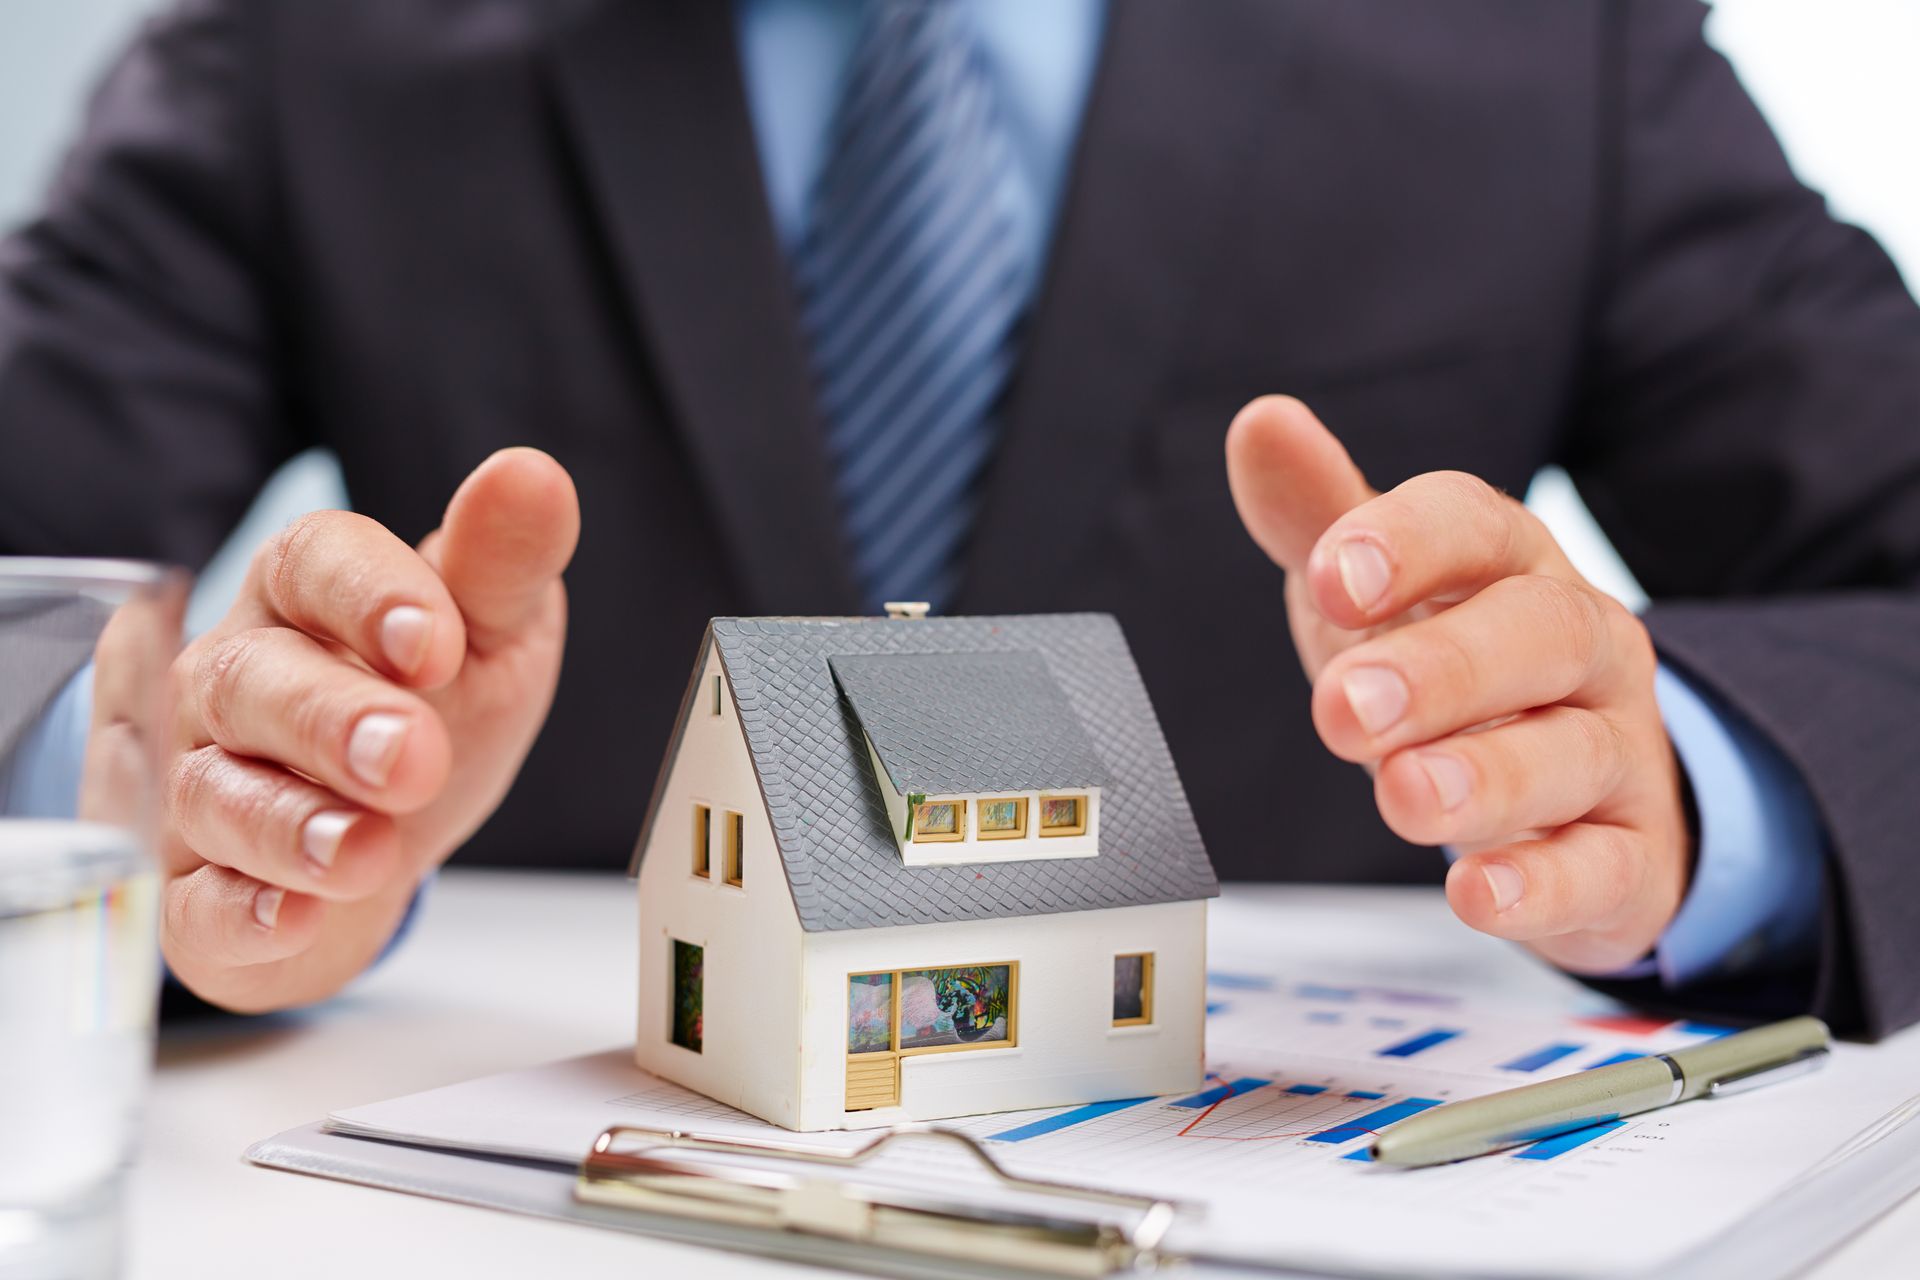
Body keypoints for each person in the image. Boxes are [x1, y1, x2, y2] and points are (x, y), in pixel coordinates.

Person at [1, 0, 1915, 1030]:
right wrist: (181, 830)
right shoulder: (299, 44)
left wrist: (1665, 780)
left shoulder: (1548, 45)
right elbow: (35, 613)